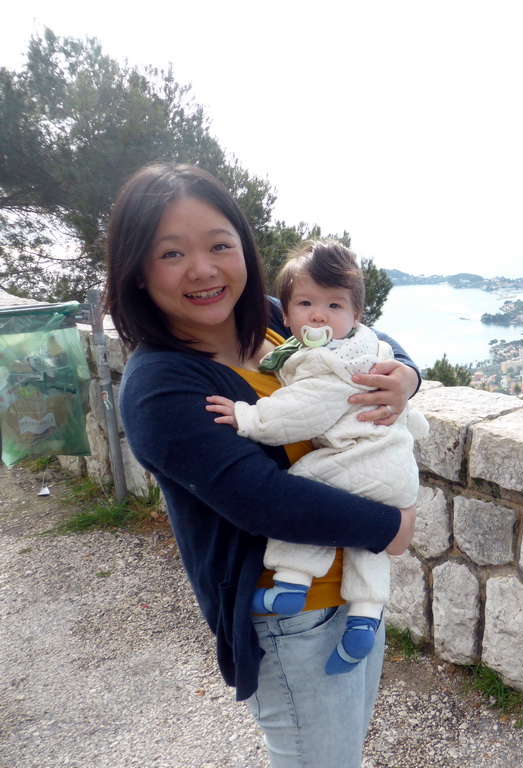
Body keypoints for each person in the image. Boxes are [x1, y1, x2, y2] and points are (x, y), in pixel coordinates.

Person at [105, 162, 417, 768]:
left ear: (243, 250)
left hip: (353, 594)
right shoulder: (159, 387)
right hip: (289, 614)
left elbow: (363, 336)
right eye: (171, 253)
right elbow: (260, 498)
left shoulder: (273, 318)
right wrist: (392, 528)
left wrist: (407, 374)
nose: (203, 269)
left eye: (220, 245)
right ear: (138, 273)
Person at [205, 239, 428, 675]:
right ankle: (365, 613)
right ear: (284, 315)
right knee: (368, 541)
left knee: (307, 482)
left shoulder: (328, 364)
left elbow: (301, 413)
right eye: (306, 303)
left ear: (356, 315)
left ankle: (290, 581)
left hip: (363, 458)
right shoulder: (364, 346)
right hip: (396, 466)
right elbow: (388, 353)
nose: (320, 314)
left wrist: (249, 418)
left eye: (334, 305)